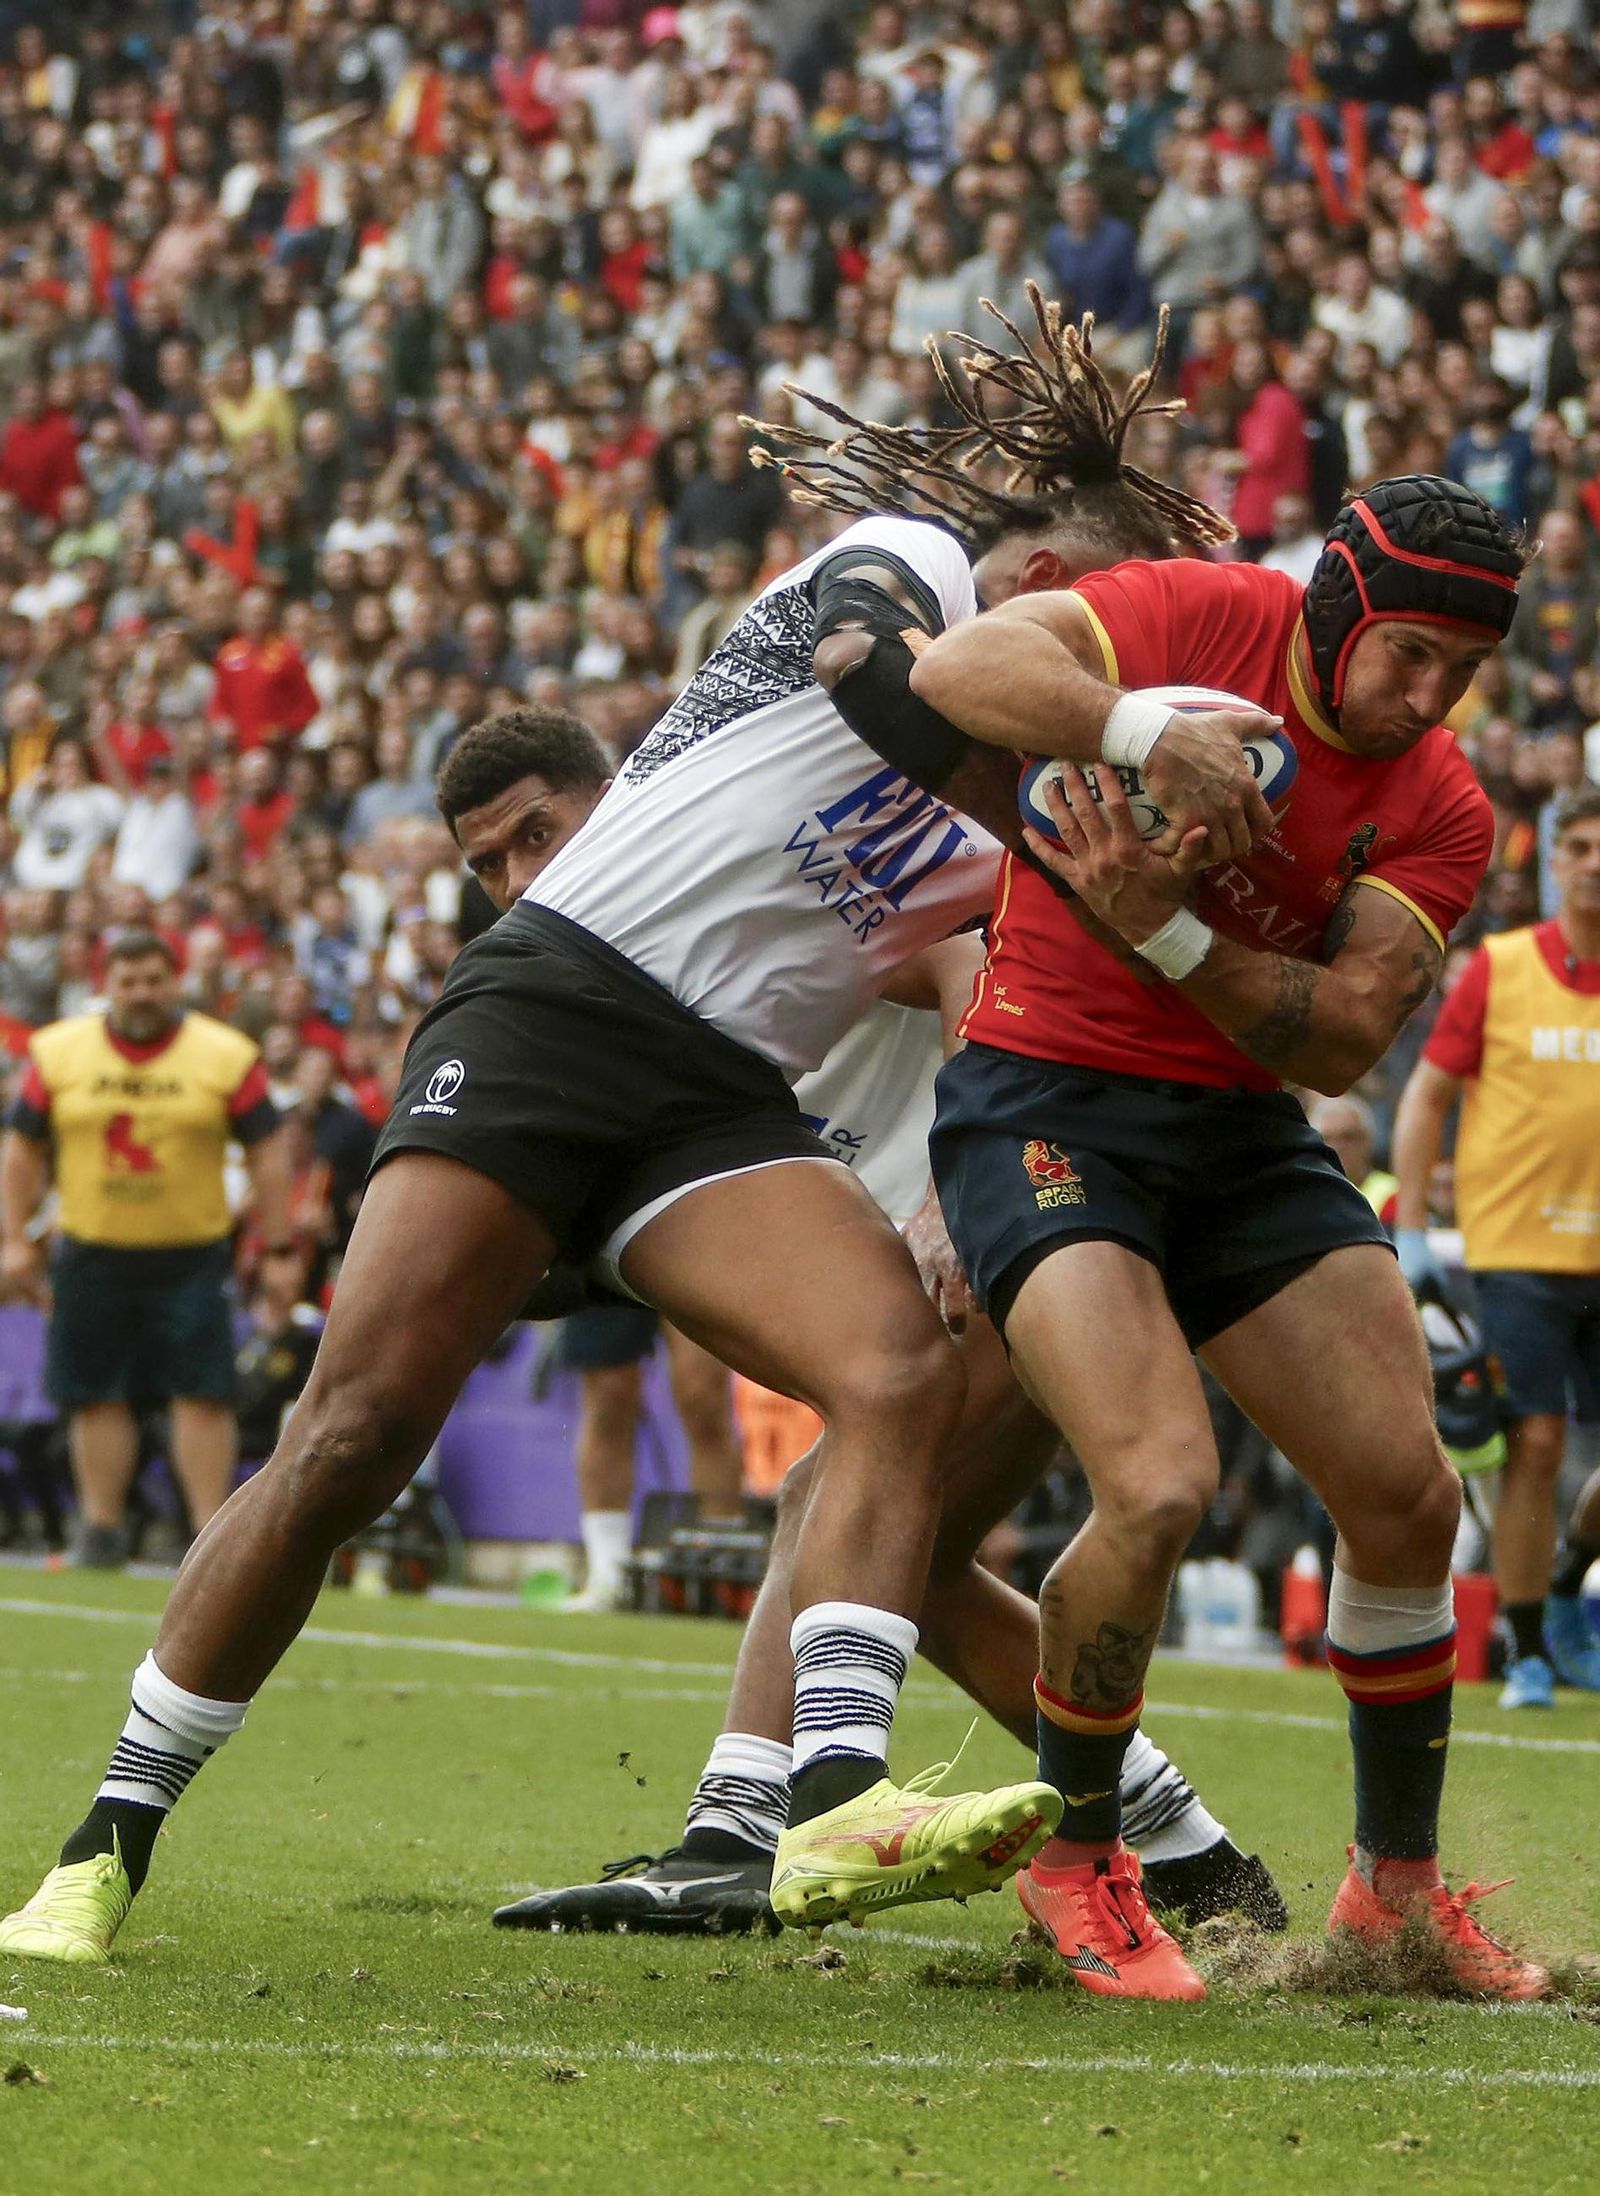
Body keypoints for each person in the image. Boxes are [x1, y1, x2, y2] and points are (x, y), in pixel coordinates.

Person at [0, 295, 1273, 1968]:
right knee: (350, 1439)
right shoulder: (910, 565)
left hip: (717, 1098)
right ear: (1040, 580)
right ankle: (105, 1840)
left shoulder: (1041, 795)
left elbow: (992, 972)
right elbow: (876, 679)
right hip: (557, 1011)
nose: (1101, 653)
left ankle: (830, 1801)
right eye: (1092, 622)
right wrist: (1120, 741)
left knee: (893, 1371)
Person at [432, 703, 1285, 1935]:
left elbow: (964, 961)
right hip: (972, 1262)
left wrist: (957, 1179)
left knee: (836, 1509)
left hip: (1017, 1233)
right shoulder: (600, 982)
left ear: (616, 803)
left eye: (537, 834)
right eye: (489, 866)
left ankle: (744, 1837)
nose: (519, 881)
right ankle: (1186, 1852)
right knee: (897, 1562)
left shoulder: (732, 902)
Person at [903, 470, 1548, 2001]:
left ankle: (1393, 1896)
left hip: (1240, 1132)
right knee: (1158, 1485)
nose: (1430, 697)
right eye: (1409, 654)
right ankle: (1079, 1860)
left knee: (1407, 1498)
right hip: (1043, 1103)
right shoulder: (1196, 614)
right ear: (1334, 610)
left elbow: (1342, 1037)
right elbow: (955, 669)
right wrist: (1142, 730)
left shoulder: (1443, 802)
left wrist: (1171, 929)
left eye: (1464, 670)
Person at [1392, 788, 1600, 1708]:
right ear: (1555, 861)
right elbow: (1427, 1095)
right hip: (1518, 1250)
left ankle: (1569, 1575)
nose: (1595, 863)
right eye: (1580, 846)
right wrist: (1410, 1227)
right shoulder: (1502, 968)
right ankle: (1527, 1650)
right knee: (1537, 1443)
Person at [0, 931, 291, 1567]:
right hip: (91, 1250)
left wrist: (277, 1246)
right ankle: (100, 1532)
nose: (141, 995)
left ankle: (209, 1538)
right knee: (95, 1392)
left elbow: (269, 1152)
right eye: (128, 982)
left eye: (154, 981)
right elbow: (21, 1149)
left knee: (202, 1392)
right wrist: (12, 1239)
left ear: (176, 981)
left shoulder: (224, 1054)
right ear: (105, 985)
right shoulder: (58, 1051)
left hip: (192, 1254)